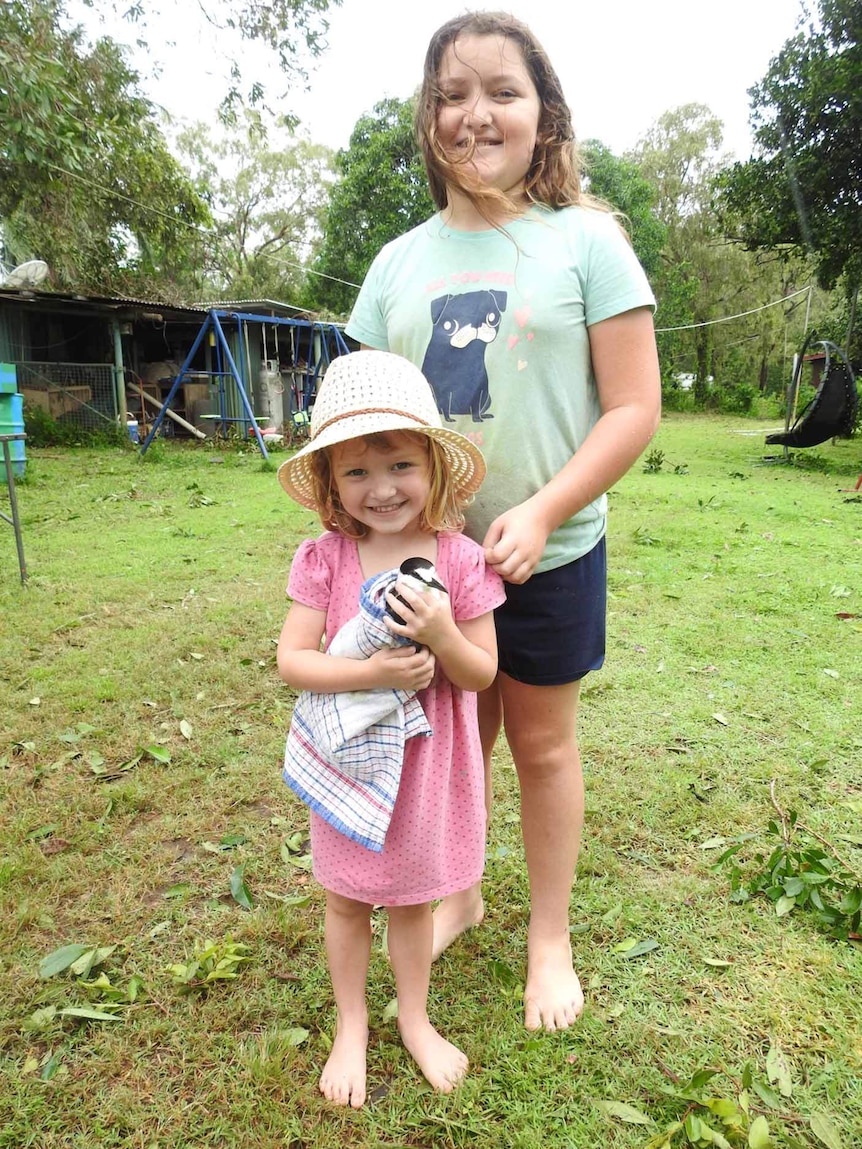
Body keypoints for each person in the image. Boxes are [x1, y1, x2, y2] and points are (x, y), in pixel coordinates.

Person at [344, 11, 662, 1033]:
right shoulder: (395, 263)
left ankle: (549, 937)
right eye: (451, 95)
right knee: (448, 745)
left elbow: (633, 408)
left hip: (551, 553)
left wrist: (541, 507)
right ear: (428, 119)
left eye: (501, 91)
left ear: (544, 114)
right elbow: (356, 415)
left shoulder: (588, 243)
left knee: (542, 747)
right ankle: (463, 892)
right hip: (426, 570)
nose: (474, 113)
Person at [276, 350, 505, 1108]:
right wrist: (373, 674)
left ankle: (414, 1017)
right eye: (356, 474)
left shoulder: (462, 563)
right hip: (350, 763)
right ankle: (351, 1023)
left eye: (400, 464)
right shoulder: (327, 558)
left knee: (411, 901)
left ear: (434, 465)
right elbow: (293, 660)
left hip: (429, 768)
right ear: (329, 483)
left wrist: (442, 634)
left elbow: (480, 674)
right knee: (346, 899)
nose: (381, 489)